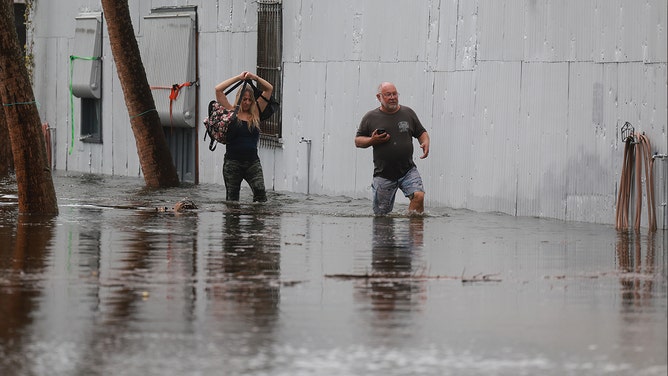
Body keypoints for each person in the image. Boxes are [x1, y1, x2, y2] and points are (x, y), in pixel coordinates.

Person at [355, 82, 430, 215]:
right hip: (384, 174)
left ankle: (413, 234)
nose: (392, 97)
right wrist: (372, 140)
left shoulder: (408, 113)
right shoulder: (370, 117)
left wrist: (425, 142)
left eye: (394, 94)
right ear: (379, 97)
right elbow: (358, 141)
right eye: (388, 94)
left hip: (407, 170)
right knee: (382, 216)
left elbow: (421, 132)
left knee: (419, 196)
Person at [214, 71, 273, 202]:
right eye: (244, 99)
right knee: (232, 199)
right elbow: (218, 90)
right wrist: (238, 78)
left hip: (252, 162)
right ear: (239, 98)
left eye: (249, 100)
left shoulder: (256, 113)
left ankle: (256, 220)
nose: (247, 102)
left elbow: (269, 89)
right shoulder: (231, 111)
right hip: (232, 162)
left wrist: (255, 78)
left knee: (260, 194)